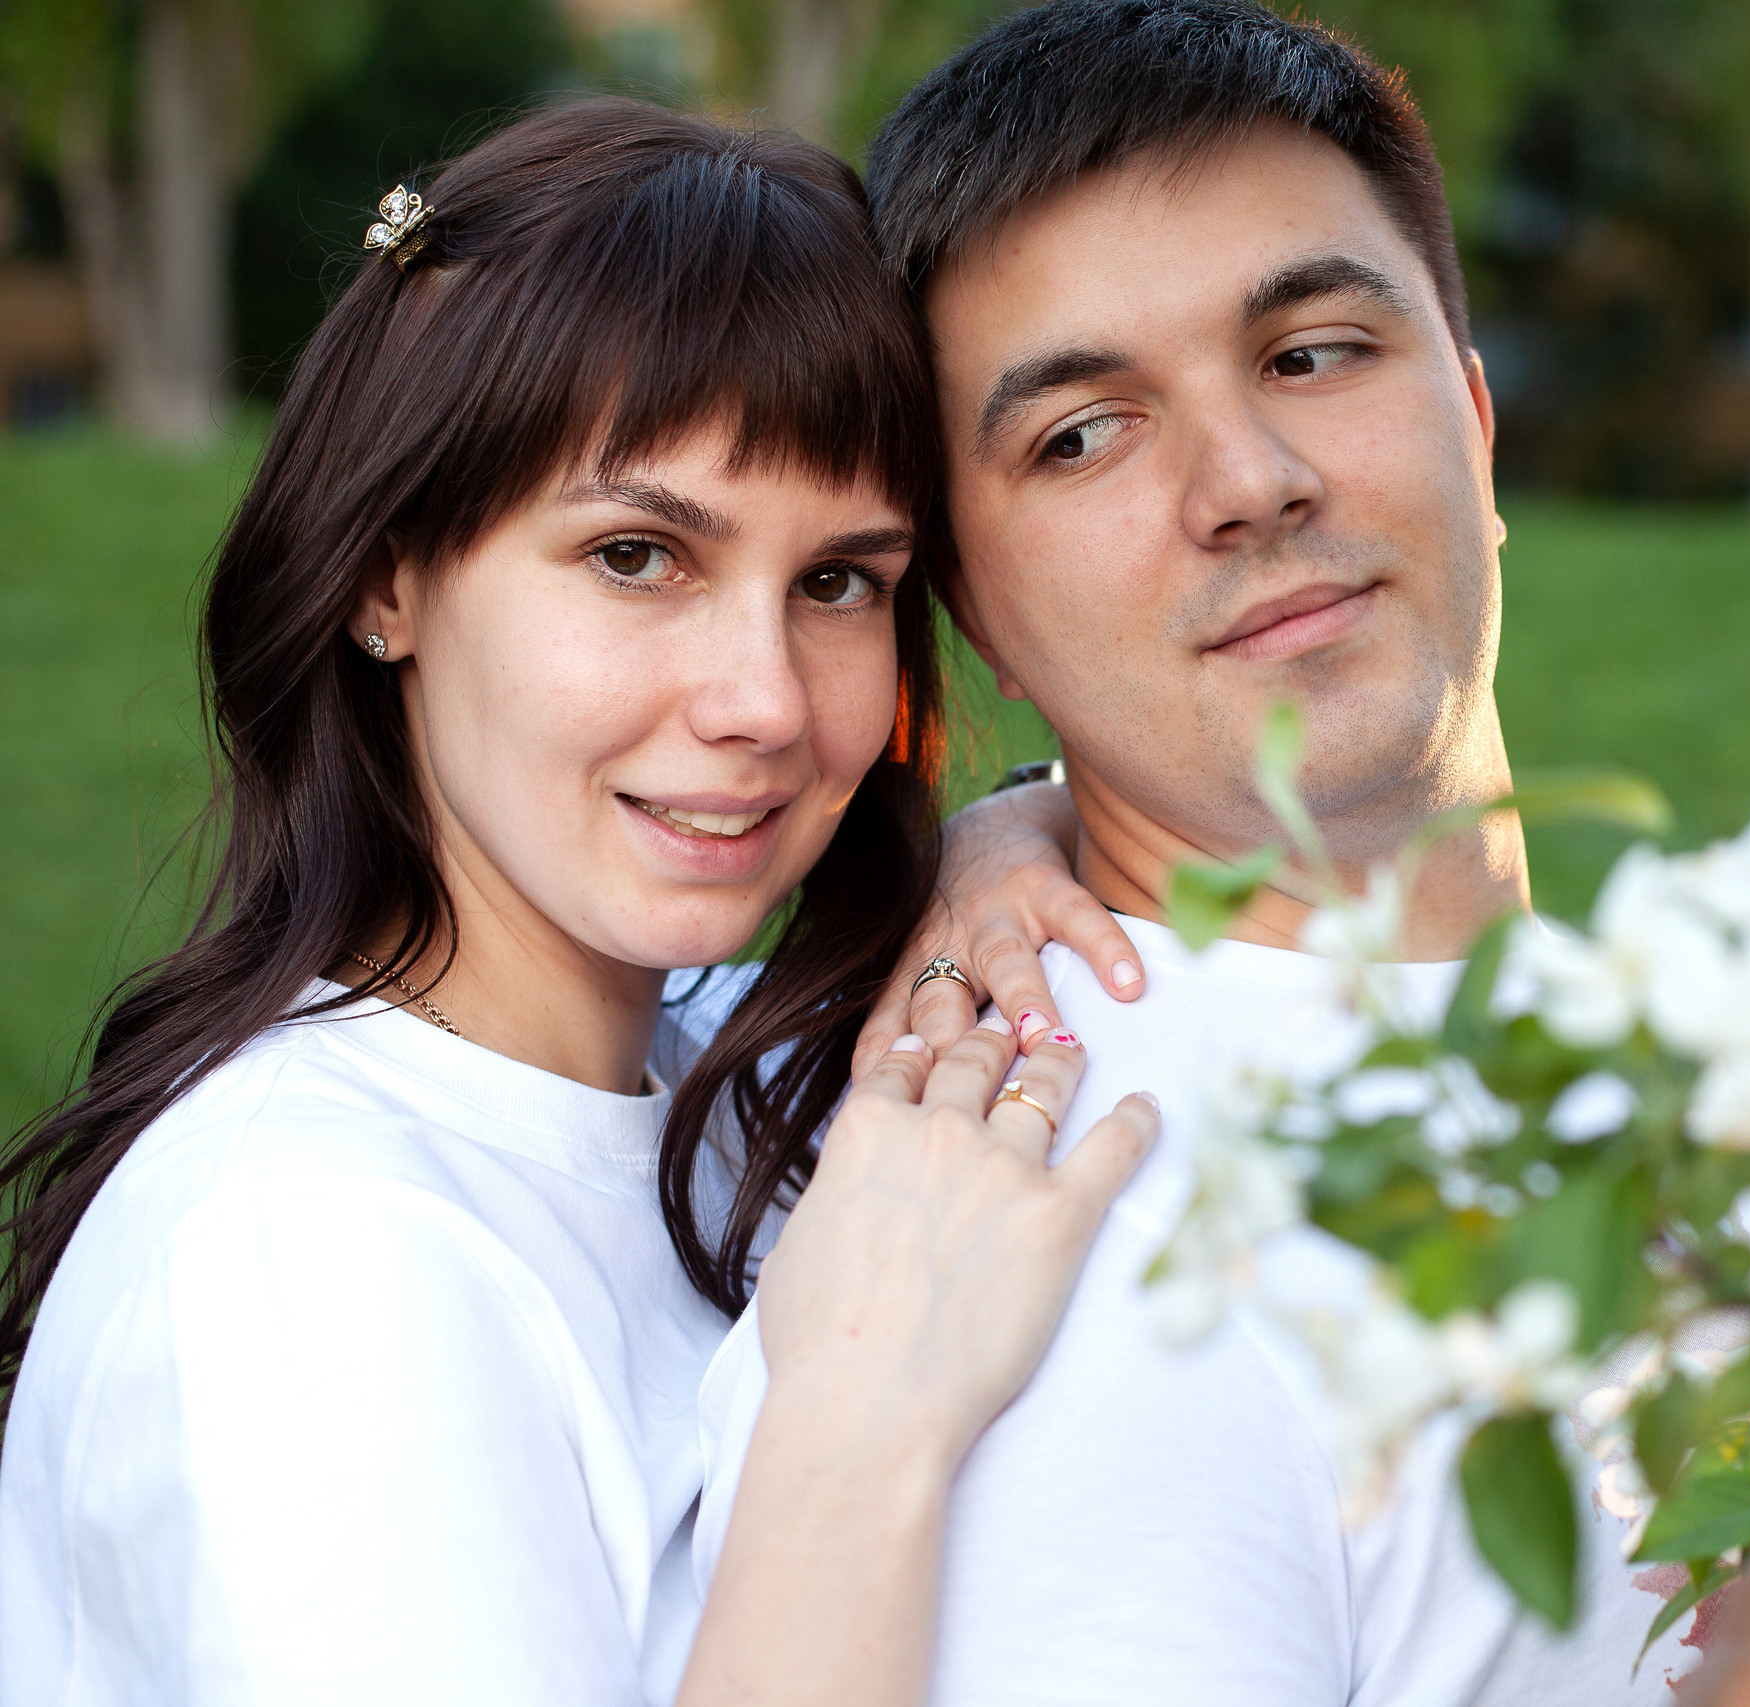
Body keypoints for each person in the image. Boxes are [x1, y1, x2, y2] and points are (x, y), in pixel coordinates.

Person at [692, 5, 1750, 1705]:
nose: (1249, 482)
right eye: (1080, 434)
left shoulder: (1667, 1076)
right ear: (974, 614)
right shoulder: (1082, 1263)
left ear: (1475, 417)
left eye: (1309, 351)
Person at [0, 99, 1157, 1707]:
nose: (763, 700)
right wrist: (857, 1420)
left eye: (837, 583)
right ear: (385, 577)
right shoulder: (313, 1265)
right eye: (636, 555)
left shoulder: (707, 1068)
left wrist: (1012, 835)